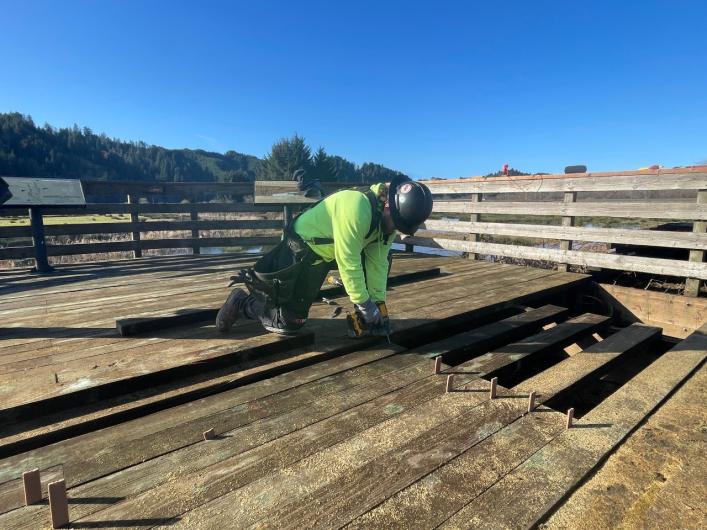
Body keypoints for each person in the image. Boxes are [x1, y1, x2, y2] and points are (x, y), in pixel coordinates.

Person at [215, 174, 433, 337]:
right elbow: (349, 260)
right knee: (285, 324)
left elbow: (378, 264)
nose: (394, 228)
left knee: (294, 322)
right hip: (301, 246)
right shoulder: (357, 207)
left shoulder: (388, 225)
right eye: (394, 221)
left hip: (322, 256)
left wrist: (378, 305)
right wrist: (363, 304)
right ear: (388, 204)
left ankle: (275, 306)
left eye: (400, 226)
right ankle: (241, 302)